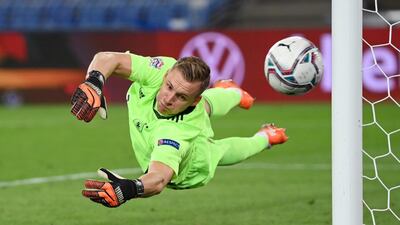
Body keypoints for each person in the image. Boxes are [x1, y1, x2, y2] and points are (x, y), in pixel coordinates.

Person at [70, 52, 288, 208]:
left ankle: (266, 137)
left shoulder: (175, 135)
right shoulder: (160, 70)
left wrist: (128, 189)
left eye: (181, 97)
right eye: (170, 87)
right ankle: (236, 94)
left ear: (192, 101)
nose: (168, 98)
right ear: (166, 76)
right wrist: (94, 83)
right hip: (194, 107)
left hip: (191, 164)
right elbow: (108, 59)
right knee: (209, 104)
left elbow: (158, 179)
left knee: (217, 151)